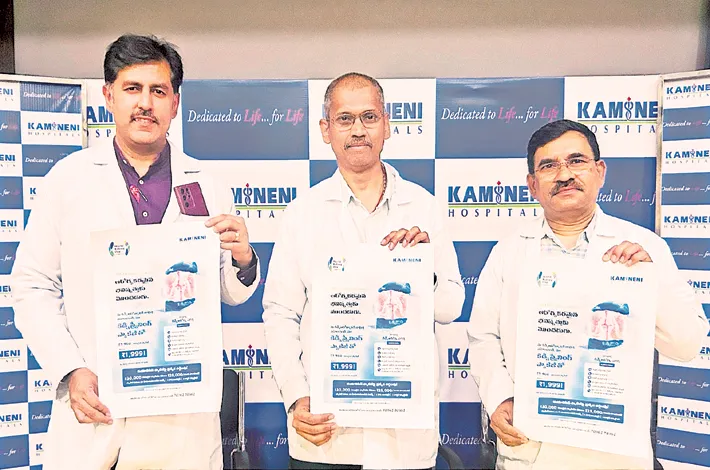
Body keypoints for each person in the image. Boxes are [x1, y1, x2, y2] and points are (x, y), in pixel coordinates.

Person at [10, 34, 260, 470]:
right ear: (108, 96)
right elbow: (32, 287)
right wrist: (71, 370)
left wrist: (243, 260)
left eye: (158, 91)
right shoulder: (67, 180)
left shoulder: (208, 183)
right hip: (96, 406)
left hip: (180, 413)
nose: (145, 103)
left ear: (175, 103)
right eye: (132, 89)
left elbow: (228, 291)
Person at [467, 119, 709, 470]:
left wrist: (649, 280)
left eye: (576, 161)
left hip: (615, 454)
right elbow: (483, 338)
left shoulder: (644, 248)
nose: (564, 174)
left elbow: (687, 345)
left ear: (600, 171)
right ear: (532, 185)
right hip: (532, 449)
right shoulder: (508, 251)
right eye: (549, 166)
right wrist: (501, 398)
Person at [262, 72, 464, 469]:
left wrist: (423, 271)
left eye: (369, 117)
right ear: (325, 130)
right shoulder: (302, 213)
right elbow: (281, 314)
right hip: (325, 438)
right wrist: (297, 397)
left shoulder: (424, 207)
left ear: (387, 125)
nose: (358, 130)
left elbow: (450, 307)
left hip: (403, 441)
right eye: (345, 119)